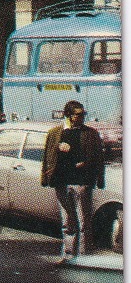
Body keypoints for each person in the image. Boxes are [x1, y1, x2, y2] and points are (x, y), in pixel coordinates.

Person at [41, 100, 106, 262]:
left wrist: (97, 176)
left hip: (81, 182)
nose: (83, 117)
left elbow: (98, 158)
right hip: (61, 182)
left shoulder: (90, 133)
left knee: (83, 222)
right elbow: (47, 156)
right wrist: (45, 176)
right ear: (69, 115)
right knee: (67, 221)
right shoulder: (55, 133)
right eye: (79, 114)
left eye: (84, 114)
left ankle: (84, 257)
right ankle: (68, 255)